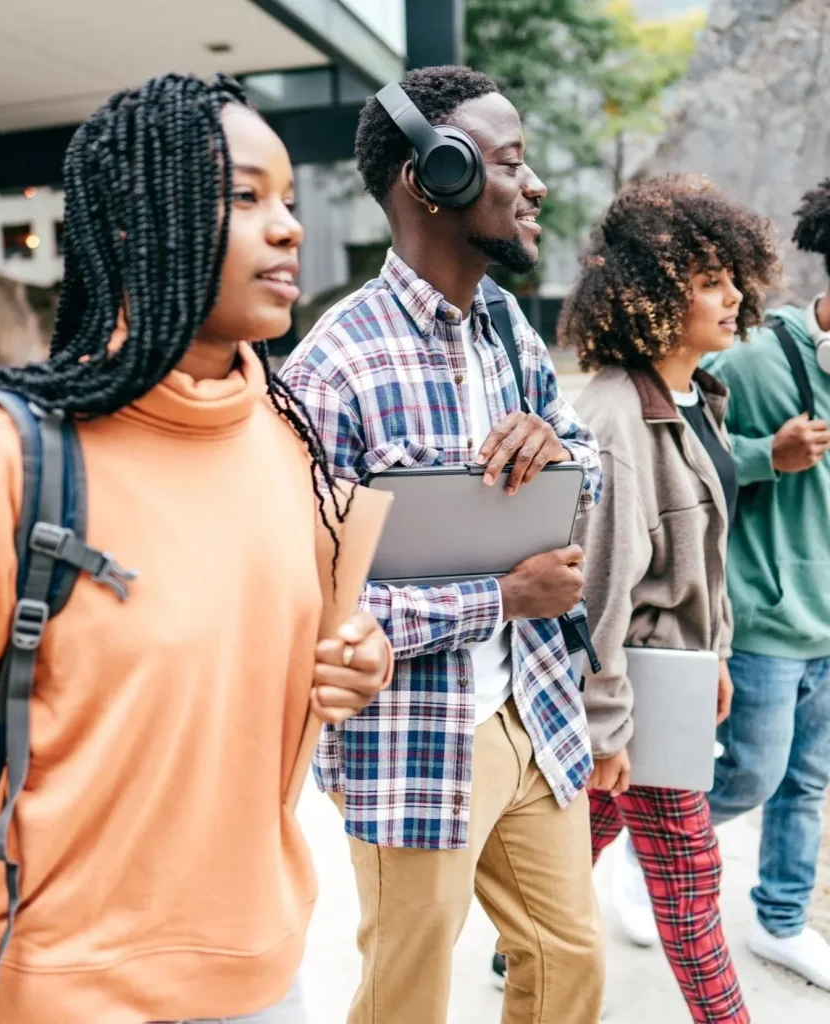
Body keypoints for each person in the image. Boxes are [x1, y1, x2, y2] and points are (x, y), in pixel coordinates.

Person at [0, 74, 394, 1024]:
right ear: (135, 225)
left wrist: (355, 658)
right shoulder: (12, 452)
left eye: (287, 200)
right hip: (71, 988)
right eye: (244, 196)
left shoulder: (284, 438)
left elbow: (248, 655)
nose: (287, 227)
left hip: (263, 973)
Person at [281, 65, 604, 1024]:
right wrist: (500, 598)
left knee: (570, 961)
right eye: (510, 162)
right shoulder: (331, 369)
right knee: (408, 995)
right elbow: (315, 609)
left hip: (533, 716)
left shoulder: (509, 326)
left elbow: (586, 459)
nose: (534, 183)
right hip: (412, 741)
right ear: (441, 175)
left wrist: (562, 449)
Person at [562, 173, 780, 1024]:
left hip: (676, 678)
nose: (734, 297)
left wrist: (715, 656)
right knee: (690, 876)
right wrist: (608, 724)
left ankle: (524, 932)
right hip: (636, 689)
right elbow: (601, 589)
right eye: (708, 282)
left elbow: (704, 563)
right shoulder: (618, 416)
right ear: (651, 296)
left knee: (590, 834)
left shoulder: (700, 397)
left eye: (735, 278)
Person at [695, 176, 830, 990]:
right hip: (767, 616)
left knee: (808, 782)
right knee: (752, 772)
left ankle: (781, 920)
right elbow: (683, 458)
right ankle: (659, 843)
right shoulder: (750, 361)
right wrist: (764, 458)